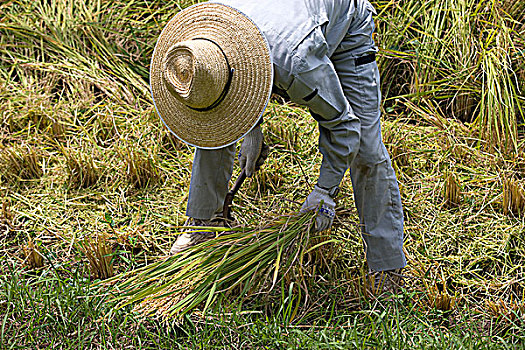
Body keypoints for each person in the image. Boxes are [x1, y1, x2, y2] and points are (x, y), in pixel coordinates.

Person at [149, 0, 406, 292]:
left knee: (366, 150)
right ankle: (203, 225)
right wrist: (251, 126)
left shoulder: (296, 62)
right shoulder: (211, 30)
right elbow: (236, 78)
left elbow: (344, 125)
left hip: (341, 26)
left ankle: (387, 267)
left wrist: (326, 190)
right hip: (282, 29)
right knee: (213, 114)